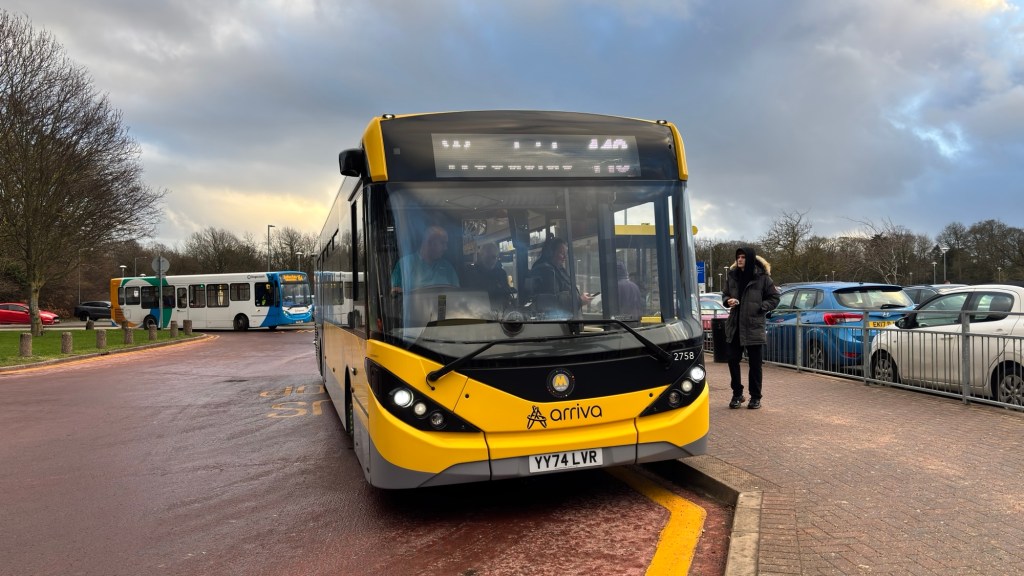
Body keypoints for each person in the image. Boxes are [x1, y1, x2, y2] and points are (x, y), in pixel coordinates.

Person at [723, 247, 780, 410]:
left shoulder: (763, 278)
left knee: (755, 364)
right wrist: (728, 301)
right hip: (735, 325)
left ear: (750, 259)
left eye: (743, 257)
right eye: (738, 257)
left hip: (754, 325)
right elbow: (725, 294)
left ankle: (755, 397)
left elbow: (775, 298)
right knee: (732, 360)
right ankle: (737, 394)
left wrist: (761, 306)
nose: (740, 260)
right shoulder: (732, 276)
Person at [528, 237, 593, 314]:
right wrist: (579, 300)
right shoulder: (547, 272)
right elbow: (552, 302)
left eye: (566, 254)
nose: (565, 257)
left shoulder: (558, 270)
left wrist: (579, 298)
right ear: (551, 253)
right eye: (562, 253)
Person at [390, 225, 460, 294]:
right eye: (442, 243)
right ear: (429, 243)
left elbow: (457, 293)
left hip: (443, 301)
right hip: (415, 302)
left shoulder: (447, 267)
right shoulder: (405, 264)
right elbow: (395, 292)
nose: (445, 248)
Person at [464, 242, 513, 309]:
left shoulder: (501, 273)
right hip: (477, 311)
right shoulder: (471, 273)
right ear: (480, 256)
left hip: (500, 311)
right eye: (487, 257)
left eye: (494, 257)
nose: (491, 260)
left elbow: (507, 295)